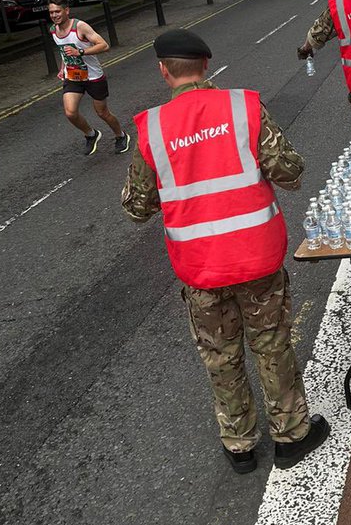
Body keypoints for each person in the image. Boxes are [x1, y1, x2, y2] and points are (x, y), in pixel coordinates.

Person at [121, 28, 329, 474]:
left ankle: (240, 445)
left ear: (163, 71)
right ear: (206, 66)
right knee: (271, 345)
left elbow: (138, 208)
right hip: (256, 257)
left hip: (200, 268)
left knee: (221, 355)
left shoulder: (152, 129)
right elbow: (289, 169)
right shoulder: (243, 108)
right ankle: (291, 435)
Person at [48, 0, 130, 156]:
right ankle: (91, 134)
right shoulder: (53, 30)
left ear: (66, 10)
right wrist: (62, 67)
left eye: (57, 11)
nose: (54, 15)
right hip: (73, 76)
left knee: (102, 113)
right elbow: (64, 51)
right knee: (70, 112)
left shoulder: (80, 27)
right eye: (51, 12)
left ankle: (121, 136)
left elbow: (104, 45)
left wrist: (80, 52)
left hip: (93, 76)